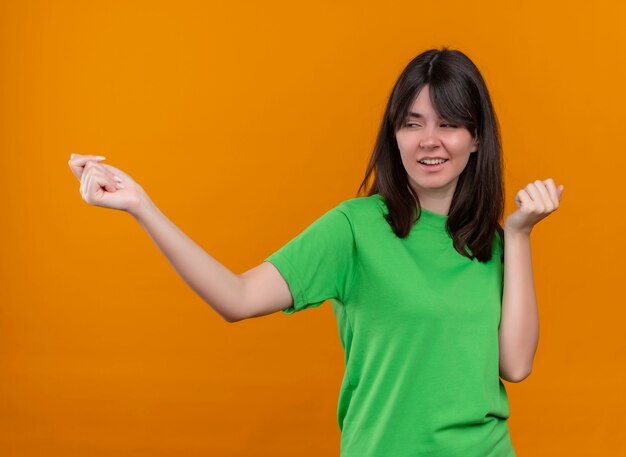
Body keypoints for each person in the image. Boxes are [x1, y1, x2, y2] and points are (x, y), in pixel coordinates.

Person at [68, 47, 564, 457]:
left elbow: (515, 365)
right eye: (412, 124)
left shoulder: (492, 243)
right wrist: (142, 207)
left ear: (476, 138)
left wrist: (519, 235)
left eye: (449, 124)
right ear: (394, 135)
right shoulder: (355, 228)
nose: (429, 141)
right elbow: (236, 298)